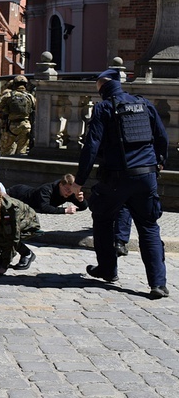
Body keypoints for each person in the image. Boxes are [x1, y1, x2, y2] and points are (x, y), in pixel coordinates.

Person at [73, 68, 169, 299]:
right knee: (148, 227)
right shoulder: (144, 104)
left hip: (116, 177)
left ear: (101, 87)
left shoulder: (104, 108)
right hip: (147, 175)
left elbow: (92, 145)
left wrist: (79, 181)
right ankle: (158, 284)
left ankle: (107, 269)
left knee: (103, 218)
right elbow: (162, 137)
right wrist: (160, 162)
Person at [7, 173, 89, 215]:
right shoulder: (46, 189)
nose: (69, 192)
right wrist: (65, 210)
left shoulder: (69, 193)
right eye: (67, 189)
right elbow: (44, 207)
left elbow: (83, 207)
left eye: (71, 190)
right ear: (61, 185)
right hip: (18, 193)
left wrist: (81, 200)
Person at [0, 75, 35, 156]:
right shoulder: (30, 96)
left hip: (11, 126)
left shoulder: (9, 95)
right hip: (26, 126)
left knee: (5, 150)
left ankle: (4, 167)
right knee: (22, 152)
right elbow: (35, 107)